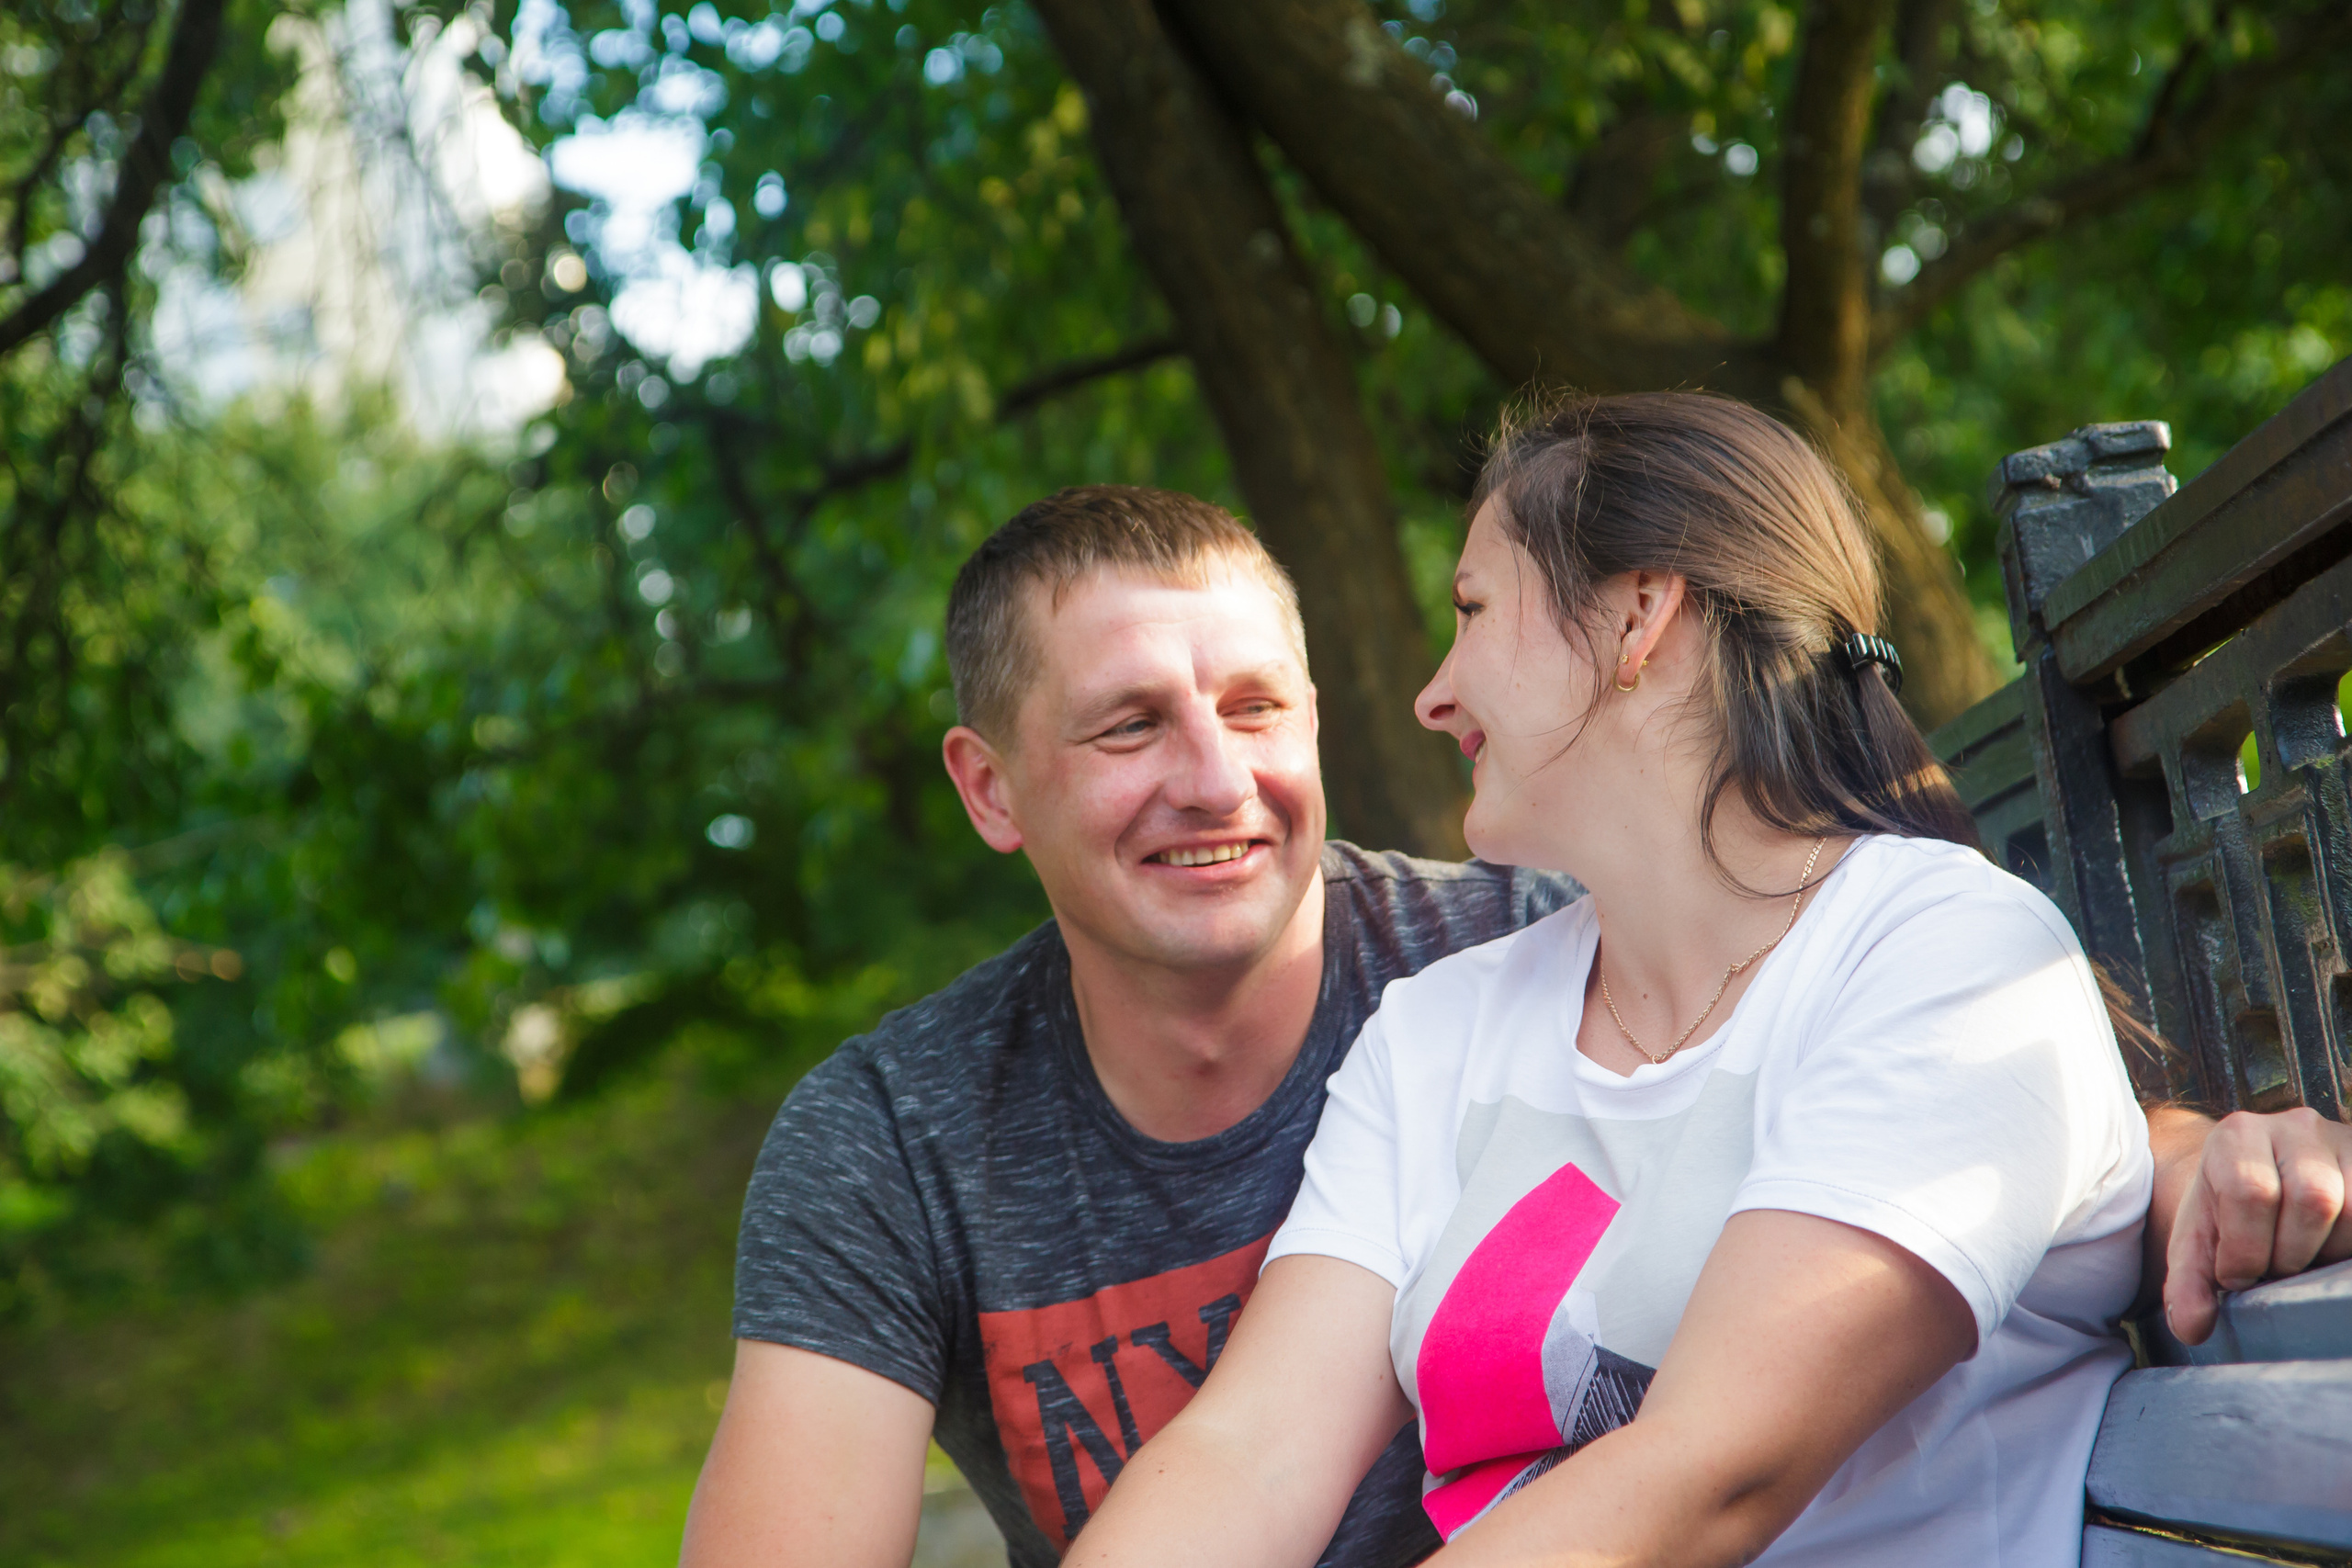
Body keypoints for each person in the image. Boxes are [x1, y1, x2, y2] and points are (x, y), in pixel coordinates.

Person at [682, 480, 2351, 1568]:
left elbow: (1936, 1082)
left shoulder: (1572, 937)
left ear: (1635, 624)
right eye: (1128, 727)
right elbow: (1247, 1452)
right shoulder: (1446, 1019)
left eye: (1256, 706)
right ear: (990, 790)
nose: (1214, 776)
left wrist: (2179, 1153)